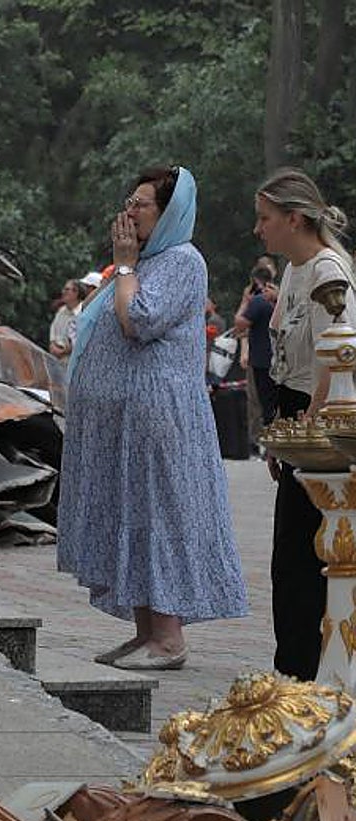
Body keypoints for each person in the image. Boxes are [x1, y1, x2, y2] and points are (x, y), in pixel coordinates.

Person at [58, 165, 248, 670]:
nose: (129, 211)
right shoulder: (151, 259)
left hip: (160, 416)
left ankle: (168, 638)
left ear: (170, 213)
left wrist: (123, 267)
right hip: (131, 422)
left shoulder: (182, 261)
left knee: (158, 516)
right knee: (134, 516)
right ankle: (146, 633)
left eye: (141, 204)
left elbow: (137, 319)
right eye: (130, 201)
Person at [255, 167, 356, 680]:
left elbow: (333, 364)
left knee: (306, 560)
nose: (259, 229)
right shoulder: (296, 269)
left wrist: (304, 437)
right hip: (296, 411)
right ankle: (293, 671)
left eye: (266, 218)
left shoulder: (326, 273)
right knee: (289, 562)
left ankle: (308, 678)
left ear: (294, 219)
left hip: (325, 422)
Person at [235, 262, 277, 451]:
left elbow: (240, 323)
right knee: (275, 402)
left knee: (263, 403)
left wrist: (245, 301)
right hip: (277, 357)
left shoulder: (258, 301)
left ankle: (267, 443)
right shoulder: (277, 299)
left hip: (261, 359)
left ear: (256, 282)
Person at [48, 278, 88, 361]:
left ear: (76, 293)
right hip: (54, 358)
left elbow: (81, 341)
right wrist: (52, 345)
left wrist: (64, 351)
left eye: (67, 290)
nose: (63, 292)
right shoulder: (61, 311)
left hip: (71, 362)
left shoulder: (83, 314)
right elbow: (53, 331)